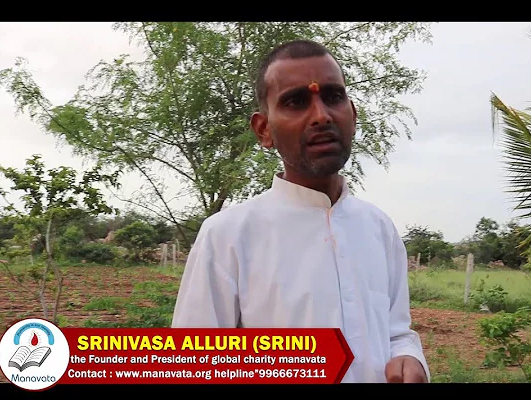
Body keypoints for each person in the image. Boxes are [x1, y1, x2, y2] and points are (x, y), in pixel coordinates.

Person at [171, 39, 429, 384]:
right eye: (296, 102)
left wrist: (408, 358)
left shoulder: (378, 228)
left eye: (333, 97)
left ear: (352, 114)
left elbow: (397, 332)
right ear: (264, 129)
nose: (321, 115)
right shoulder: (228, 235)